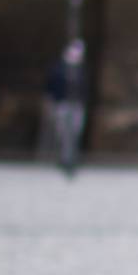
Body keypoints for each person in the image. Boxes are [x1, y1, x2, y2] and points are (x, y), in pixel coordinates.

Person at [47, 39, 88, 176]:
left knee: (74, 132)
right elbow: (52, 85)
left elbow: (84, 87)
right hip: (62, 104)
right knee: (63, 132)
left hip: (76, 104)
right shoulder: (60, 68)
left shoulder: (80, 70)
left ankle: (71, 159)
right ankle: (64, 159)